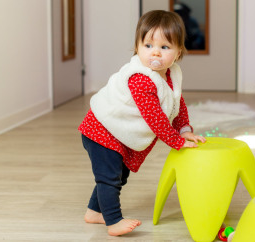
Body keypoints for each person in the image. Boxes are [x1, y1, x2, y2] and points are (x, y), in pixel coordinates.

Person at [78, 10, 206, 236]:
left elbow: (176, 102)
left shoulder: (171, 74)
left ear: (178, 53)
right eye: (148, 45)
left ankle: (94, 211)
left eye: (165, 47)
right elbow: (155, 118)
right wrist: (175, 141)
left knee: (120, 175)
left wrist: (184, 130)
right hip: (102, 129)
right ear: (137, 47)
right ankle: (114, 220)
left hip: (118, 131)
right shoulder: (140, 78)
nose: (155, 52)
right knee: (109, 178)